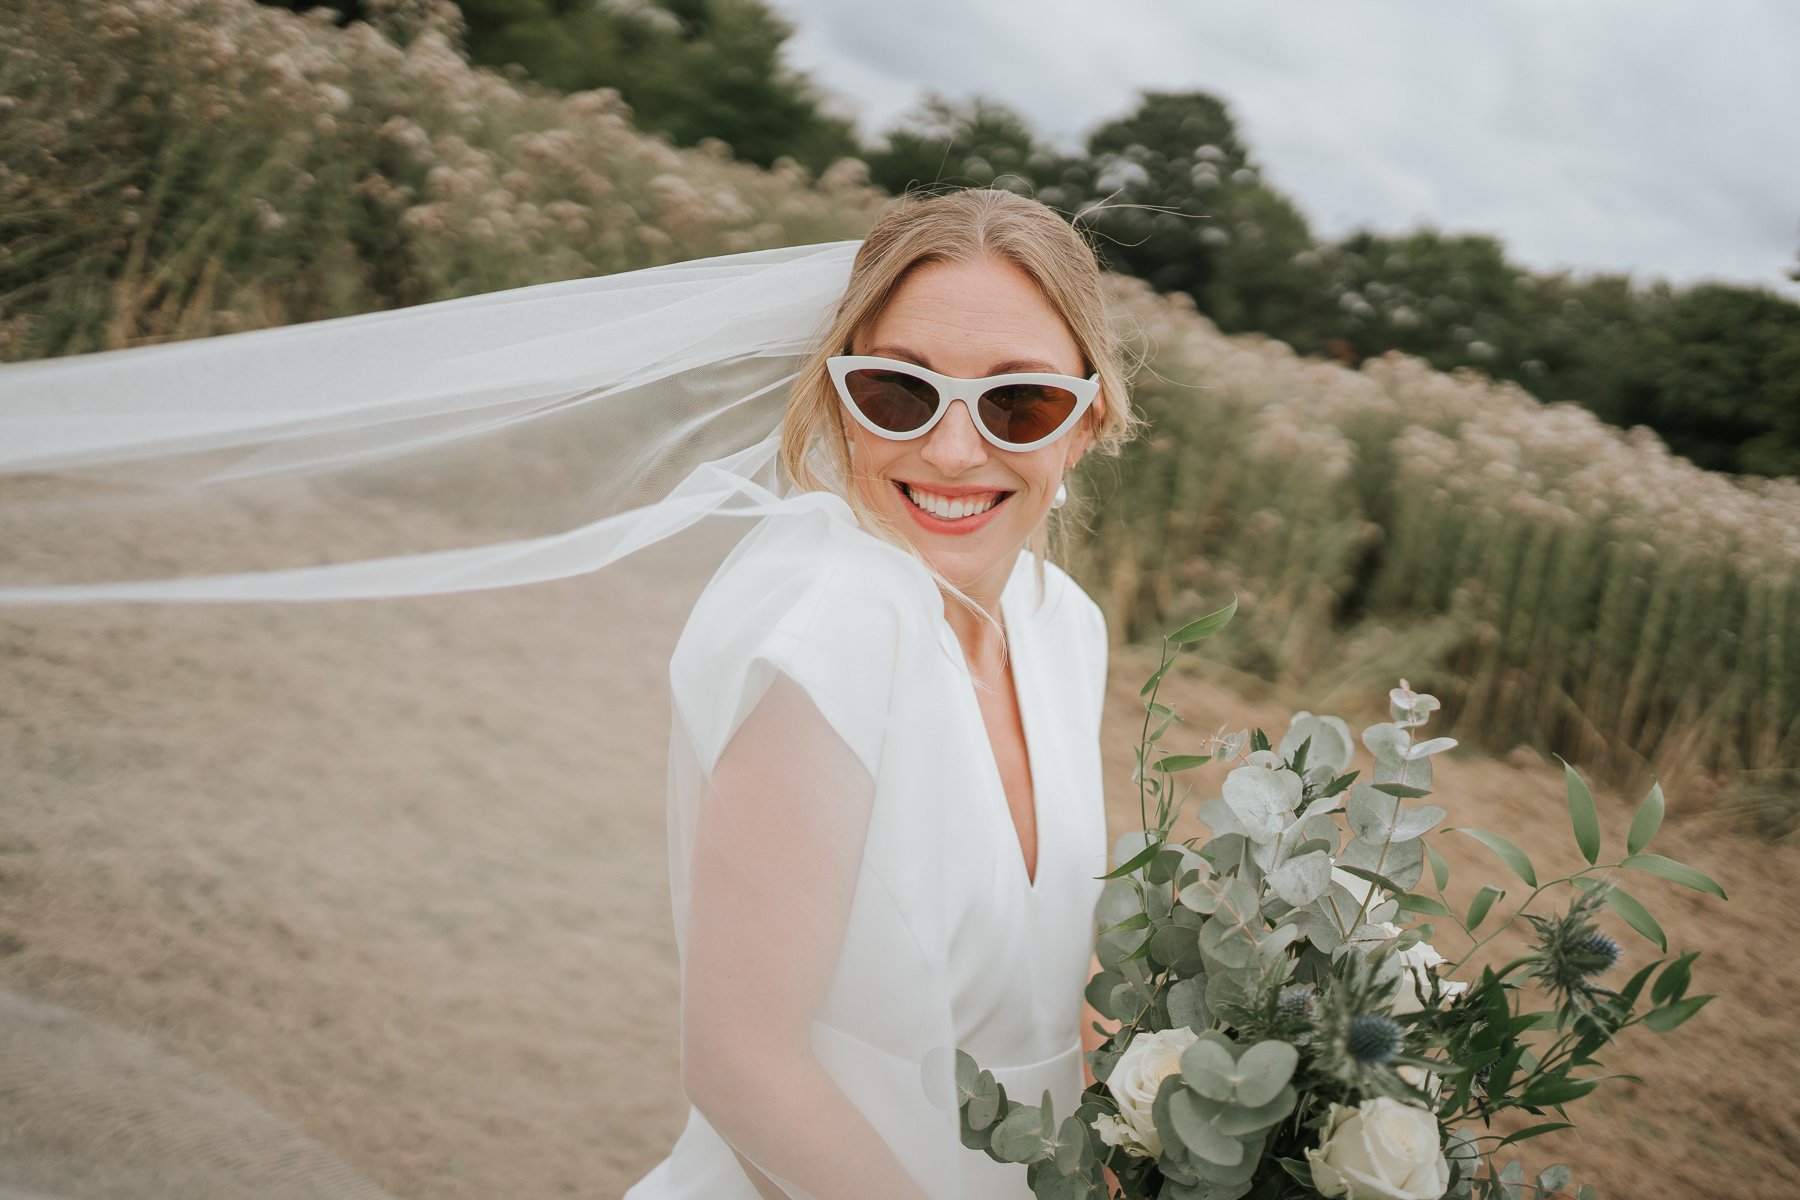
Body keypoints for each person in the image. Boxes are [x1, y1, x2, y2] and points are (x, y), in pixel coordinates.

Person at [625, 189, 1138, 1199]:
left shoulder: (1064, 621)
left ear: (1085, 424)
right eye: (900, 392)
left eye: (1018, 401)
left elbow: (1069, 963)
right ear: (838, 397)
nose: (954, 450)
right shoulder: (834, 628)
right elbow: (743, 1065)